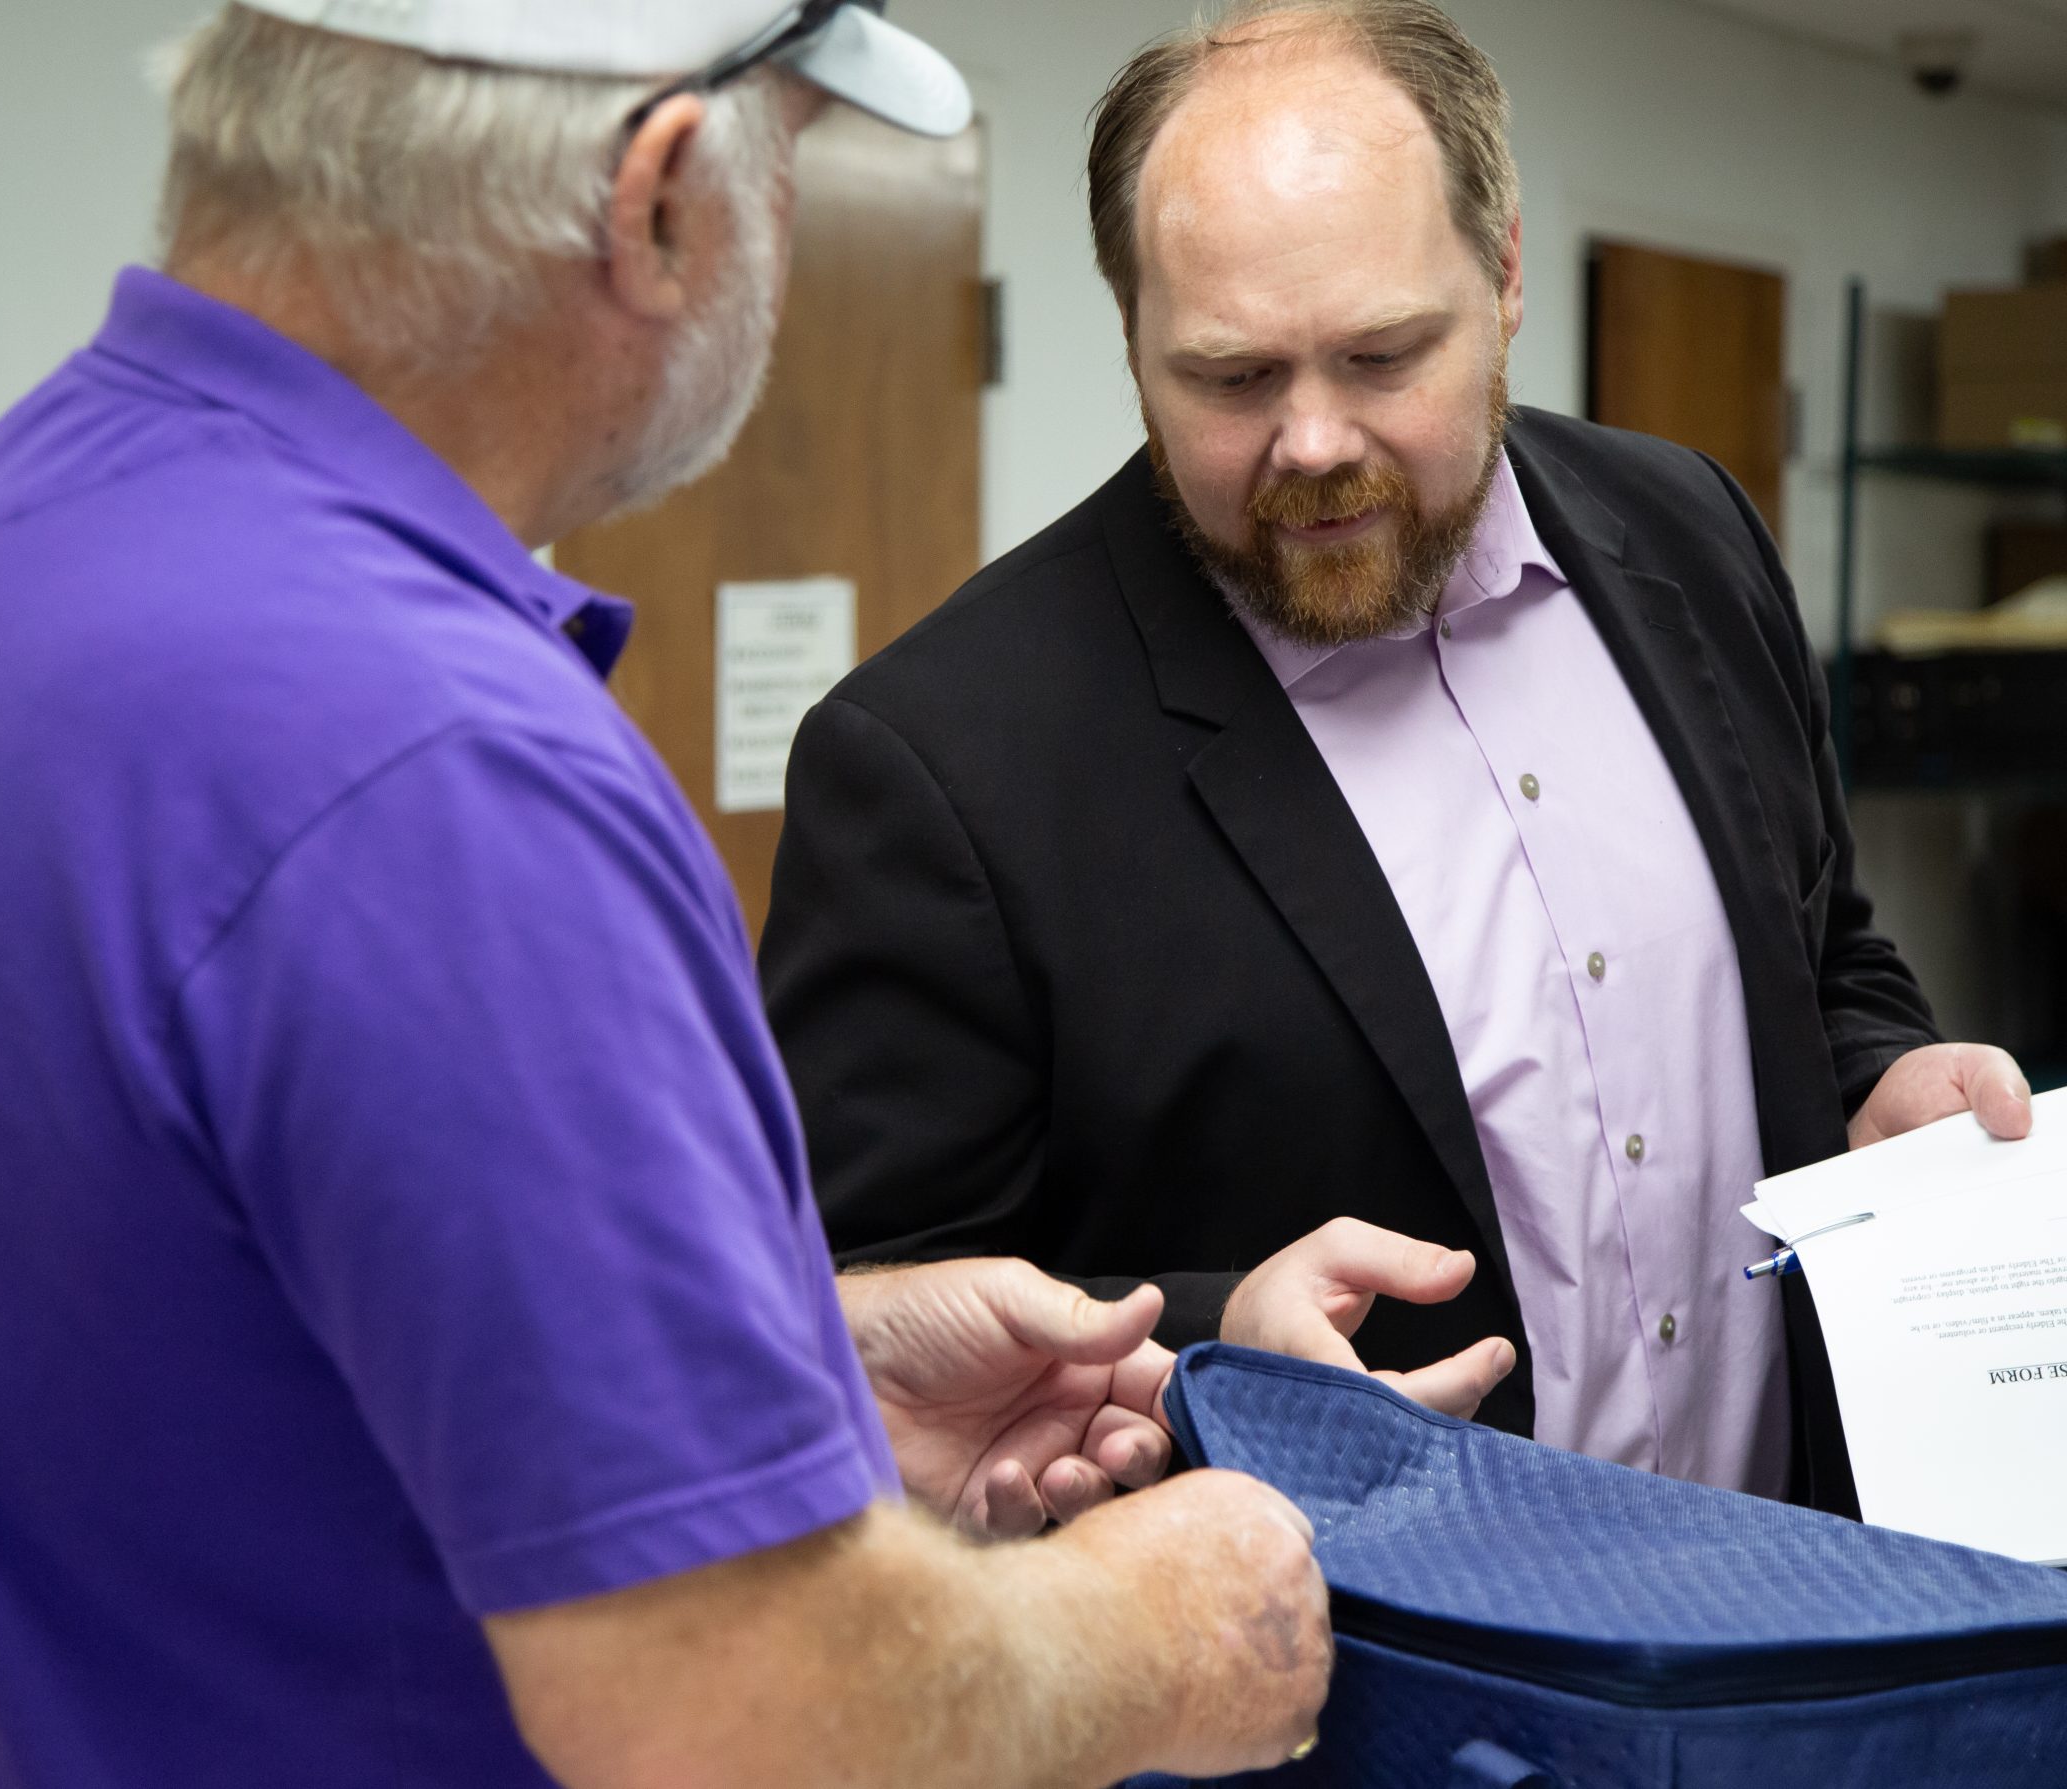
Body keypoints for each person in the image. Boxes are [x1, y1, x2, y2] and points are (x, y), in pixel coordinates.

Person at [0, 5, 1334, 1787]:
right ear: (655, 198)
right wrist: (1158, 1626)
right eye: (787, 160)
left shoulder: (13, 538)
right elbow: (751, 1712)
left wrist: (791, 1384)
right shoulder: (439, 767)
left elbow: (197, 1364)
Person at [761, 0, 2033, 1518]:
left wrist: (1881, 1078)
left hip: (1789, 1597)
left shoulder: (1689, 530)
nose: (1311, 443)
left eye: (1382, 356)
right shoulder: (941, 762)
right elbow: (844, 1328)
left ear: (1500, 278)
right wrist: (1222, 1338)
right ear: (1131, 334)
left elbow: (1822, 952)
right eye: (1232, 378)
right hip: (1338, 1688)